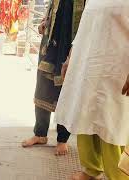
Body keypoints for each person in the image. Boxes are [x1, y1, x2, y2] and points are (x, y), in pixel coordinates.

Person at [55, 0, 129, 179]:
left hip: (117, 69)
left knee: (111, 124)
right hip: (88, 65)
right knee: (85, 115)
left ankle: (118, 175)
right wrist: (70, 57)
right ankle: (91, 169)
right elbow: (85, 26)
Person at [22, 0, 86, 155]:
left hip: (70, 46)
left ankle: (62, 140)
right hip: (50, 44)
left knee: (65, 92)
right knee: (43, 87)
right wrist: (44, 21)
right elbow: (51, 7)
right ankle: (40, 134)